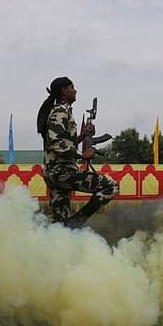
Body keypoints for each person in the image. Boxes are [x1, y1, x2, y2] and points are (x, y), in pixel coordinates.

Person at [36, 77, 119, 228]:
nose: (75, 91)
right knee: (111, 186)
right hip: (62, 171)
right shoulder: (60, 111)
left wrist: (83, 136)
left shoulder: (62, 111)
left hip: (55, 172)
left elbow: (64, 141)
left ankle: (55, 245)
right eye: (72, 87)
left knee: (60, 225)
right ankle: (77, 220)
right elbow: (55, 143)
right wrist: (82, 155)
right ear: (63, 90)